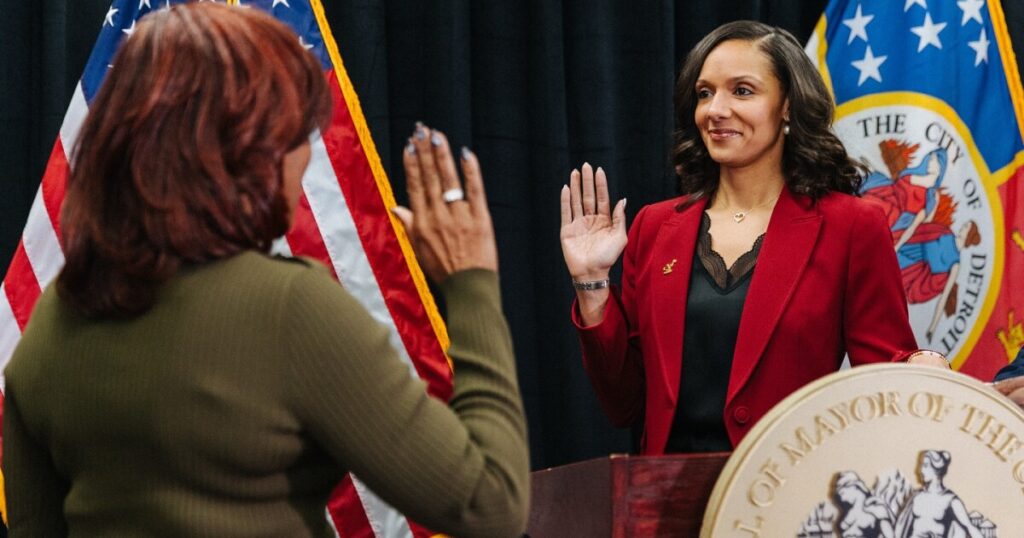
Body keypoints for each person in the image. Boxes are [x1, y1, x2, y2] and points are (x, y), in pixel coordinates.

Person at [2, 5, 527, 537]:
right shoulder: (292, 311)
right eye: (296, 130)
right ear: (243, 152)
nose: (304, 152)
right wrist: (471, 285)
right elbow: (492, 505)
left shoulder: (49, 328)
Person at [559, 20, 948, 455]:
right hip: (665, 505)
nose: (715, 110)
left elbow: (883, 373)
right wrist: (592, 285)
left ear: (787, 106)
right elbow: (624, 404)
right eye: (705, 93)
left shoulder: (852, 226)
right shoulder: (653, 227)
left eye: (741, 91)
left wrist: (921, 366)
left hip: (786, 498)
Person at [894, 451, 982, 538]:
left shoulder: (950, 500)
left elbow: (969, 527)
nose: (920, 470)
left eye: (925, 466)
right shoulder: (917, 497)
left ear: (936, 469)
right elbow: (901, 527)